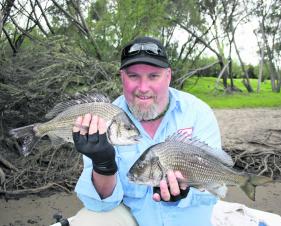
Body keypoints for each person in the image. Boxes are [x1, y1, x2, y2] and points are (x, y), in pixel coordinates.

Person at [71, 36, 229, 226]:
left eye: (153, 76)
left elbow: (214, 189)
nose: (143, 88)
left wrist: (185, 194)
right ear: (122, 76)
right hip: (136, 220)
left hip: (189, 221)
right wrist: (102, 164)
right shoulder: (104, 120)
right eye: (133, 76)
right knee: (89, 221)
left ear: (168, 76)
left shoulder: (198, 112)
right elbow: (100, 204)